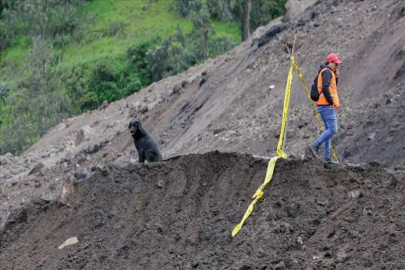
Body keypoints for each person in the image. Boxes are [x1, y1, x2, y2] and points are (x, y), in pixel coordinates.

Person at [308, 53, 342, 164]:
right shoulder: (327, 72)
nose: (337, 66)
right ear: (330, 62)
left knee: (329, 130)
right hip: (326, 105)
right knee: (333, 129)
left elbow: (333, 87)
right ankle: (315, 145)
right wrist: (331, 102)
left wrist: (336, 77)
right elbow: (326, 88)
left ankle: (327, 158)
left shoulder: (327, 72)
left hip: (323, 105)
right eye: (336, 64)